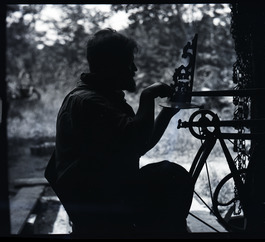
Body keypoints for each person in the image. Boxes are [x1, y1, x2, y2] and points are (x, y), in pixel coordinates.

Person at [44, 28, 194, 237]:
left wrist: (168, 112)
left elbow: (138, 145)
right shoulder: (89, 102)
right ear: (111, 66)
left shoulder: (102, 98)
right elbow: (136, 139)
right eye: (128, 63)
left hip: (106, 194)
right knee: (171, 176)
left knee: (168, 177)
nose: (134, 68)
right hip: (98, 204)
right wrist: (147, 96)